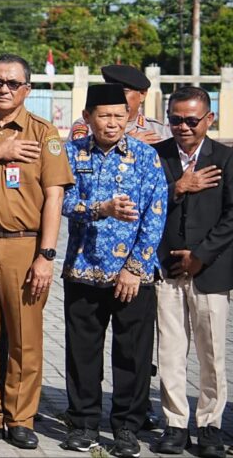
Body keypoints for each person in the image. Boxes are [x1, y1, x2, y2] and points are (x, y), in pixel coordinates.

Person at [0, 55, 73, 449]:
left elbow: (54, 197)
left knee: (25, 336)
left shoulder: (44, 133)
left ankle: (20, 417)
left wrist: (47, 254)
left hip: (24, 245)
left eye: (11, 83)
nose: (2, 89)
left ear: (27, 89)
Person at [60, 83, 167, 458]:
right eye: (104, 116)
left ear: (130, 117)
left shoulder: (146, 156)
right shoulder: (71, 153)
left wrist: (135, 269)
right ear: (88, 117)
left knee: (133, 355)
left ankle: (126, 426)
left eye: (119, 116)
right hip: (83, 270)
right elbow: (61, 201)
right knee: (82, 352)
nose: (111, 123)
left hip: (132, 277)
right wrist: (99, 208)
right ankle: (84, 422)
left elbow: (156, 215)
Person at [153, 86, 231, 458]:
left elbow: (232, 216)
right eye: (175, 119)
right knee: (170, 349)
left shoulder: (226, 159)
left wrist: (200, 255)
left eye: (191, 120)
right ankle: (175, 423)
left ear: (209, 119)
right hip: (167, 270)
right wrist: (178, 187)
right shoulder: (157, 156)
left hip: (209, 271)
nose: (182, 127)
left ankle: (211, 424)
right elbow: (147, 204)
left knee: (211, 352)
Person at [69, 65, 169, 144]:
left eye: (123, 92)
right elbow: (78, 160)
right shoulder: (89, 124)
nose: (116, 96)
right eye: (111, 91)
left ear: (142, 94)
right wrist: (129, 144)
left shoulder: (157, 131)